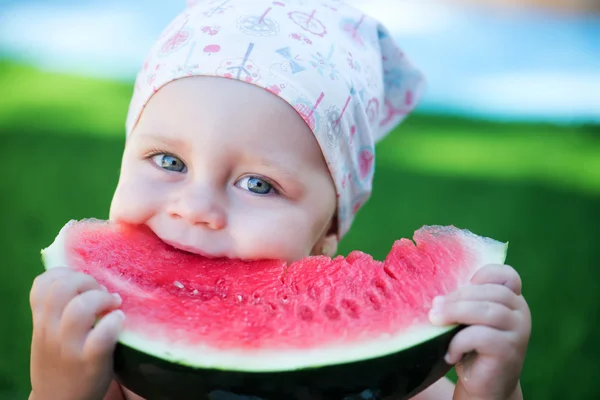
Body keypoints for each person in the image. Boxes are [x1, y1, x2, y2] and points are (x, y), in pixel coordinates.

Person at [28, 1, 531, 399]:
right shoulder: (113, 364)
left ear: (328, 231)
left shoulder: (379, 374)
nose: (196, 207)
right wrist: (58, 390)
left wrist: (492, 389)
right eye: (168, 161)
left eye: (258, 184)